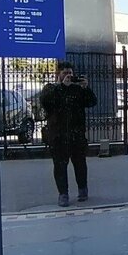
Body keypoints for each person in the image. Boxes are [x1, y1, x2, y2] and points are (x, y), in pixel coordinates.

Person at [40, 61, 97, 207]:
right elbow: (45, 101)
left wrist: (86, 88)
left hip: (76, 134)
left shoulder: (77, 89)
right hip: (58, 136)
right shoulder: (51, 88)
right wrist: (61, 86)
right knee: (60, 166)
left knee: (80, 163)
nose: (68, 76)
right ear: (58, 74)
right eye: (65, 73)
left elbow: (92, 102)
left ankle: (83, 189)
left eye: (70, 73)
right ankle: (63, 194)